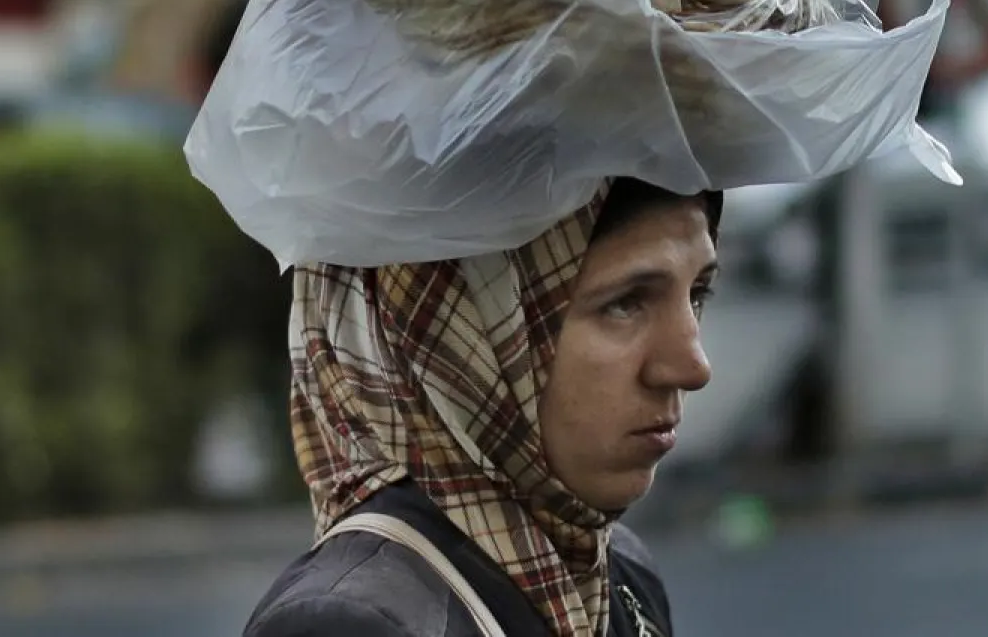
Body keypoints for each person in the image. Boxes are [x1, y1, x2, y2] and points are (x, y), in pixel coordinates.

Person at [243, 177, 723, 637]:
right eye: (625, 303)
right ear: (460, 339)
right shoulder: (352, 625)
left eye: (696, 295)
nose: (692, 367)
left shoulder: (620, 574)